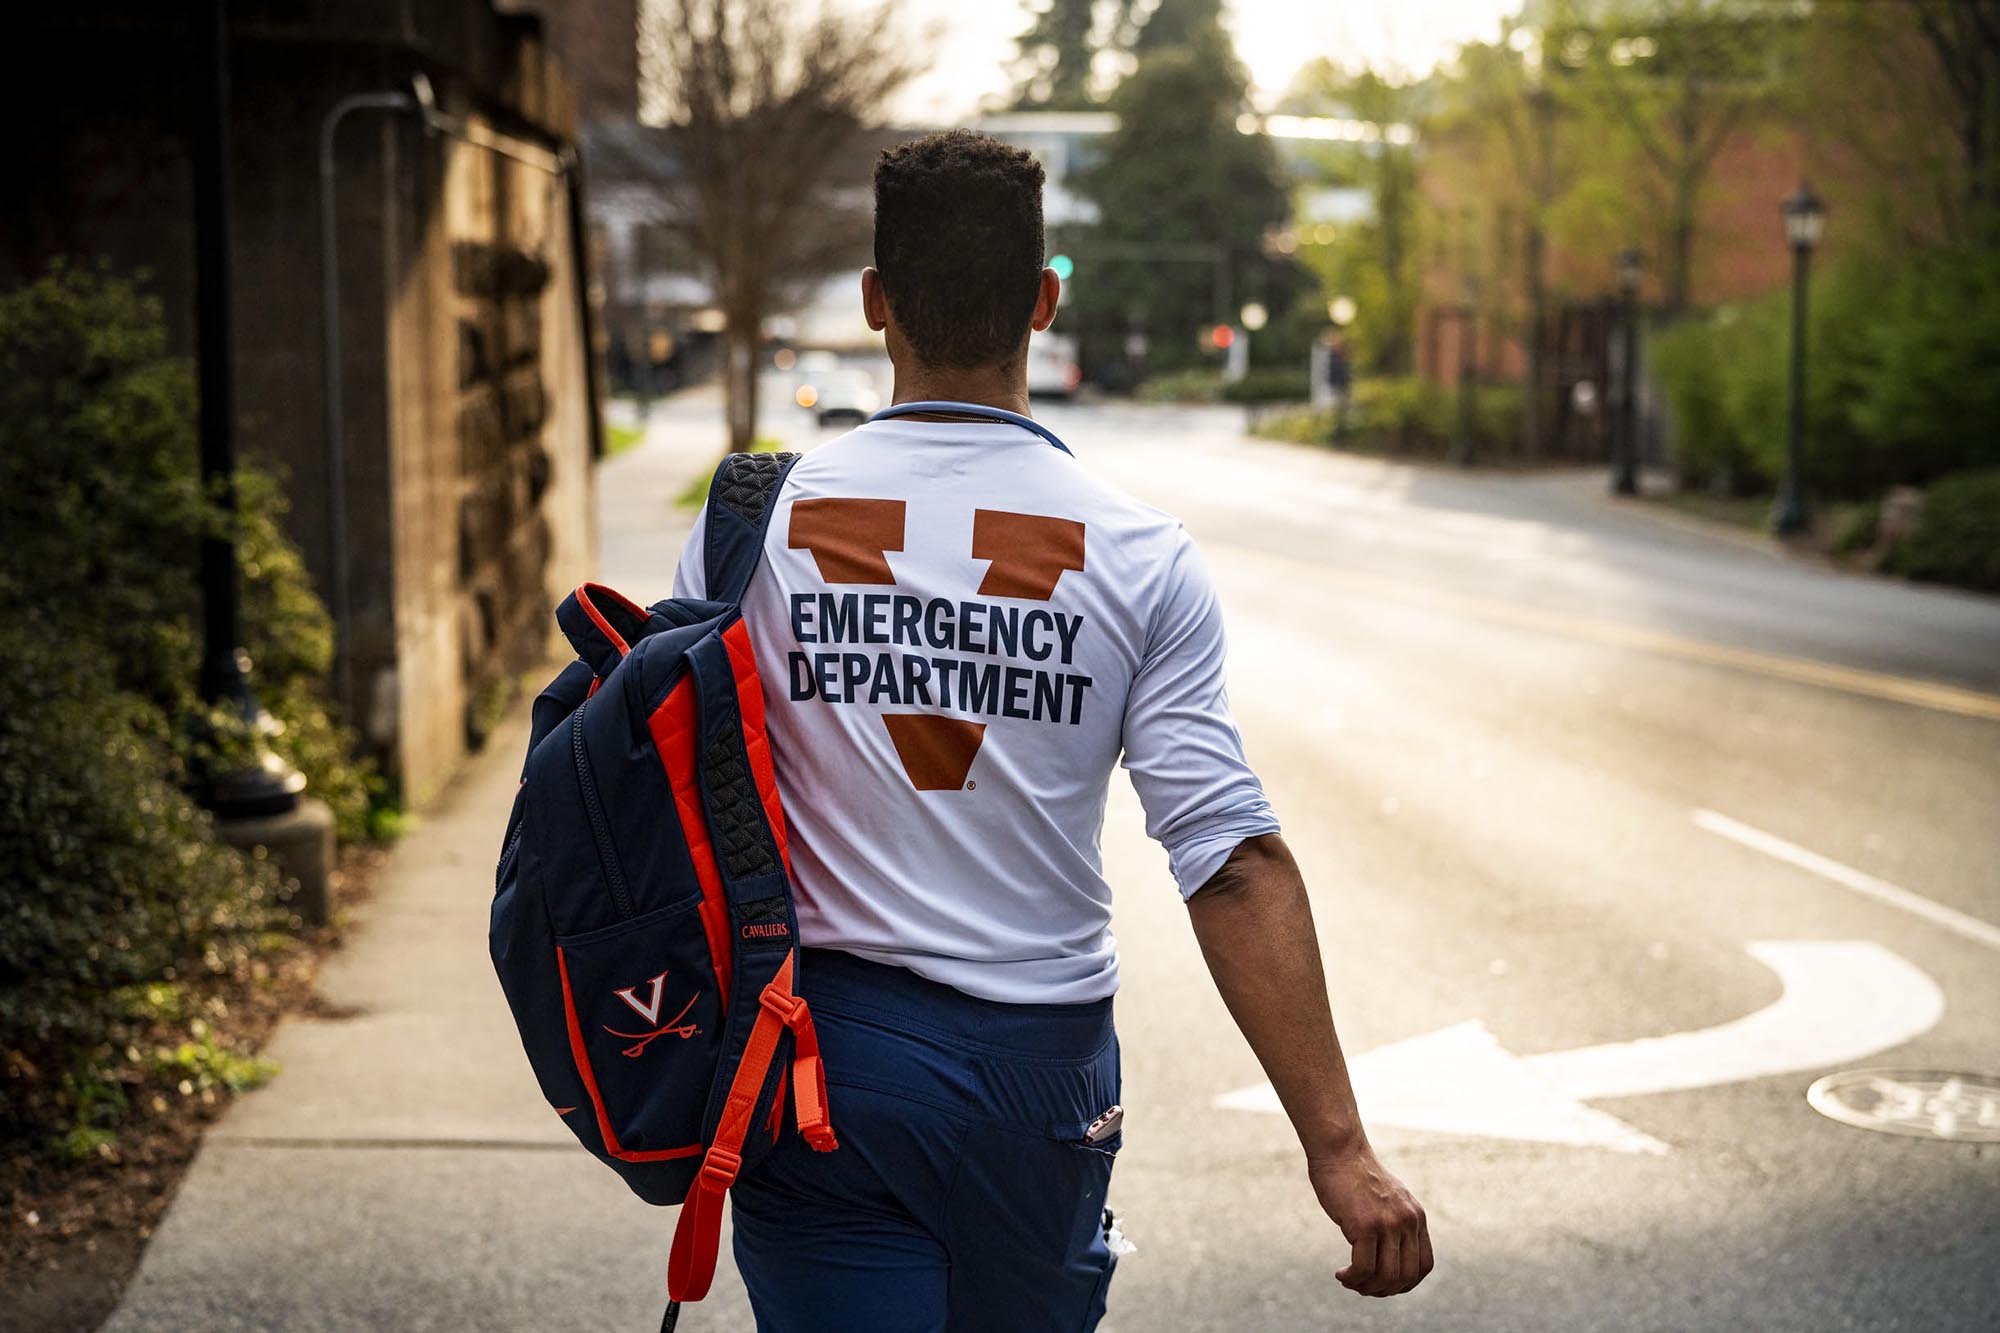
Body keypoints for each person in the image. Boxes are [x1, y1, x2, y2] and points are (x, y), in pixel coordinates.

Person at [671, 129, 1431, 1332]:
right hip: (1037, 1078)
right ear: (1043, 300)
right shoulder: (1138, 554)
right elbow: (1228, 862)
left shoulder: (753, 526)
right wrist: (1337, 1148)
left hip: (817, 1061)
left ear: (874, 304)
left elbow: (674, 802)